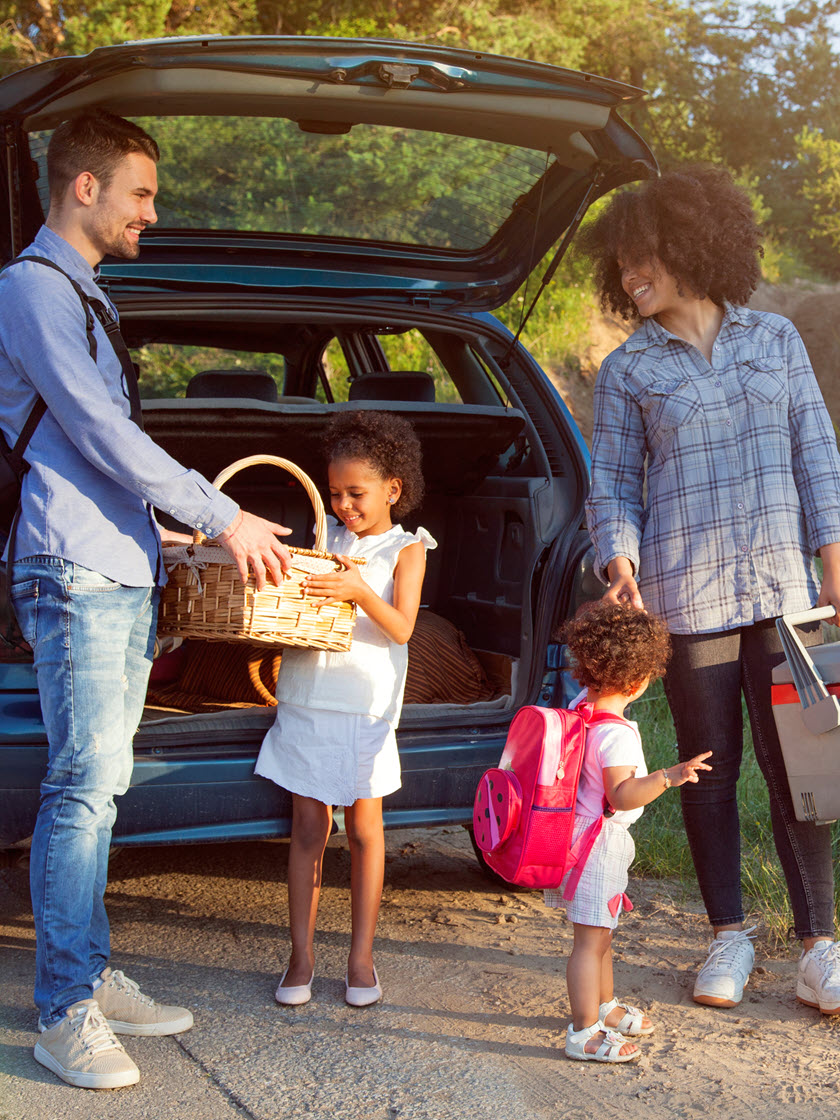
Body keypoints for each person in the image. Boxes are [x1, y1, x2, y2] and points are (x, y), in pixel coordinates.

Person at [0, 109, 293, 1091]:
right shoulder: (31, 292)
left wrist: (162, 535)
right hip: (74, 574)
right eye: (142, 192)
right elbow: (91, 428)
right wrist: (220, 517)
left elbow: (88, 453)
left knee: (102, 784)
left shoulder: (82, 296)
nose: (151, 213)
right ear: (84, 186)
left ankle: (85, 970)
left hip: (117, 566)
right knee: (81, 787)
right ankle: (62, 1013)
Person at [582, 164, 840, 1014]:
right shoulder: (628, 371)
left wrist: (835, 572)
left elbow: (819, 460)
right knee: (707, 770)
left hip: (782, 596)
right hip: (685, 598)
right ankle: (727, 934)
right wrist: (619, 564)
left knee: (797, 768)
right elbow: (613, 484)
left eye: (640, 257)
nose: (628, 276)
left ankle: (818, 947)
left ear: (690, 247)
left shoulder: (775, 341)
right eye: (619, 265)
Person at [255, 410, 435, 1009]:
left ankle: (361, 956)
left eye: (356, 494)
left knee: (364, 829)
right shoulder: (320, 536)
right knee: (307, 828)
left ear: (393, 489)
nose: (344, 506)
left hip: (364, 707)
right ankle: (300, 955)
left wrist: (360, 591)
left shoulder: (407, 549)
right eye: (335, 494)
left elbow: (403, 629)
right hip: (308, 699)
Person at [549, 601, 711, 1063]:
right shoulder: (615, 734)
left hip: (575, 837)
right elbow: (621, 794)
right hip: (597, 844)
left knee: (600, 933)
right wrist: (668, 776)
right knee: (589, 940)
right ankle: (584, 1032)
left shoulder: (580, 708)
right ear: (639, 682)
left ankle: (601, 1005)